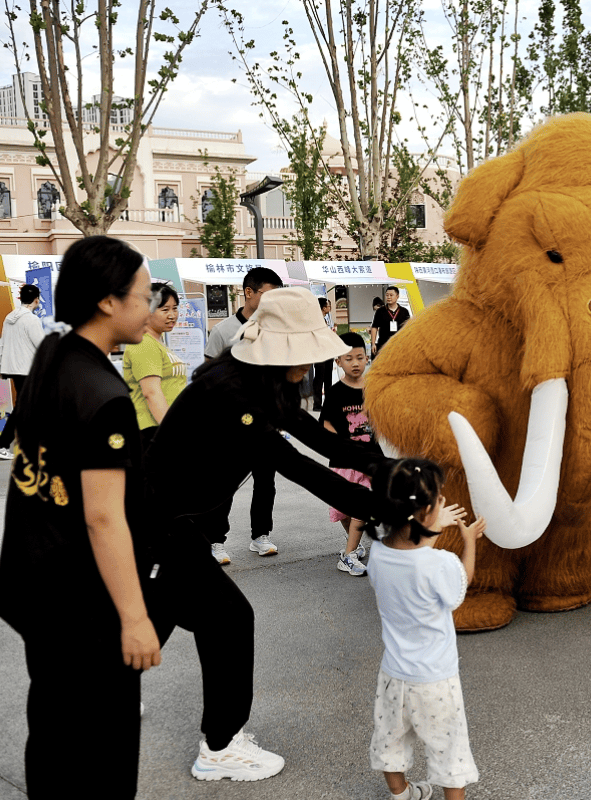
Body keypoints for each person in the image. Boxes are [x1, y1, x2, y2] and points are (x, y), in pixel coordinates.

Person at [141, 287, 393, 782]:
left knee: (158, 617)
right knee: (229, 620)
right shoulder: (233, 395)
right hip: (163, 526)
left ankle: (90, 697)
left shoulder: (261, 384)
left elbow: (327, 445)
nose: (310, 364)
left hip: (174, 526)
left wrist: (391, 470)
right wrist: (386, 507)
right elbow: (298, 467)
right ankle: (220, 748)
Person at [0, 235, 163, 797]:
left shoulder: (52, 356)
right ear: (107, 302)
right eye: (143, 296)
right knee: (103, 756)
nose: (151, 307)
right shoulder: (104, 394)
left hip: (37, 587)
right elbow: (103, 518)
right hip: (83, 605)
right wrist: (136, 620)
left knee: (54, 737)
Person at [367, 459, 486, 800]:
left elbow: (412, 558)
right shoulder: (441, 564)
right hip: (435, 680)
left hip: (393, 675)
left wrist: (433, 528)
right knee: (450, 752)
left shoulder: (376, 554)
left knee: (391, 737)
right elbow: (459, 588)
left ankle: (400, 793)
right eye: (437, 501)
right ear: (426, 512)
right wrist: (468, 540)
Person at [203, 266, 283, 560]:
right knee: (224, 482)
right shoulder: (223, 330)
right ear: (249, 293)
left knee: (266, 481)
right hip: (230, 422)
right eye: (269, 295)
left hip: (264, 421)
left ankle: (261, 536)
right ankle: (215, 540)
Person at [322, 332, 382, 575]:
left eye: (360, 357)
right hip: (344, 460)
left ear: (367, 357)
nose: (356, 363)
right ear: (338, 361)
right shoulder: (335, 392)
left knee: (363, 505)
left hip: (371, 460)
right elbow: (325, 423)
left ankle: (348, 554)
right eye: (349, 358)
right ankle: (352, 546)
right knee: (345, 509)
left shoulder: (373, 388)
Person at [122, 282, 186, 449]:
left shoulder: (157, 343)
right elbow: (151, 392)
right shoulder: (144, 343)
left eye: (175, 308)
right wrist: (171, 433)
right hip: (152, 431)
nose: (172, 315)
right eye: (165, 310)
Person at [0, 283, 46, 460]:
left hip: (14, 368)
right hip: (29, 369)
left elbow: (3, 342)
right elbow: (42, 345)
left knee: (29, 407)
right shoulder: (31, 319)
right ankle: (1, 444)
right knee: (24, 408)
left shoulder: (9, 317)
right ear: (36, 300)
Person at [370, 286, 411, 358]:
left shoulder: (404, 311)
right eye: (387, 295)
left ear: (397, 296)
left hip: (399, 344)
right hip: (383, 344)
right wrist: (373, 343)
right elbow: (374, 327)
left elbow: (408, 328)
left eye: (391, 295)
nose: (388, 297)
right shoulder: (380, 311)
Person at [310, 297, 335, 411]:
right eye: (329, 306)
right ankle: (317, 404)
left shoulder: (325, 319)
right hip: (320, 351)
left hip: (328, 350)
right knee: (320, 378)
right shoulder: (316, 319)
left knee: (328, 377)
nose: (330, 308)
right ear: (324, 307)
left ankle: (328, 403)